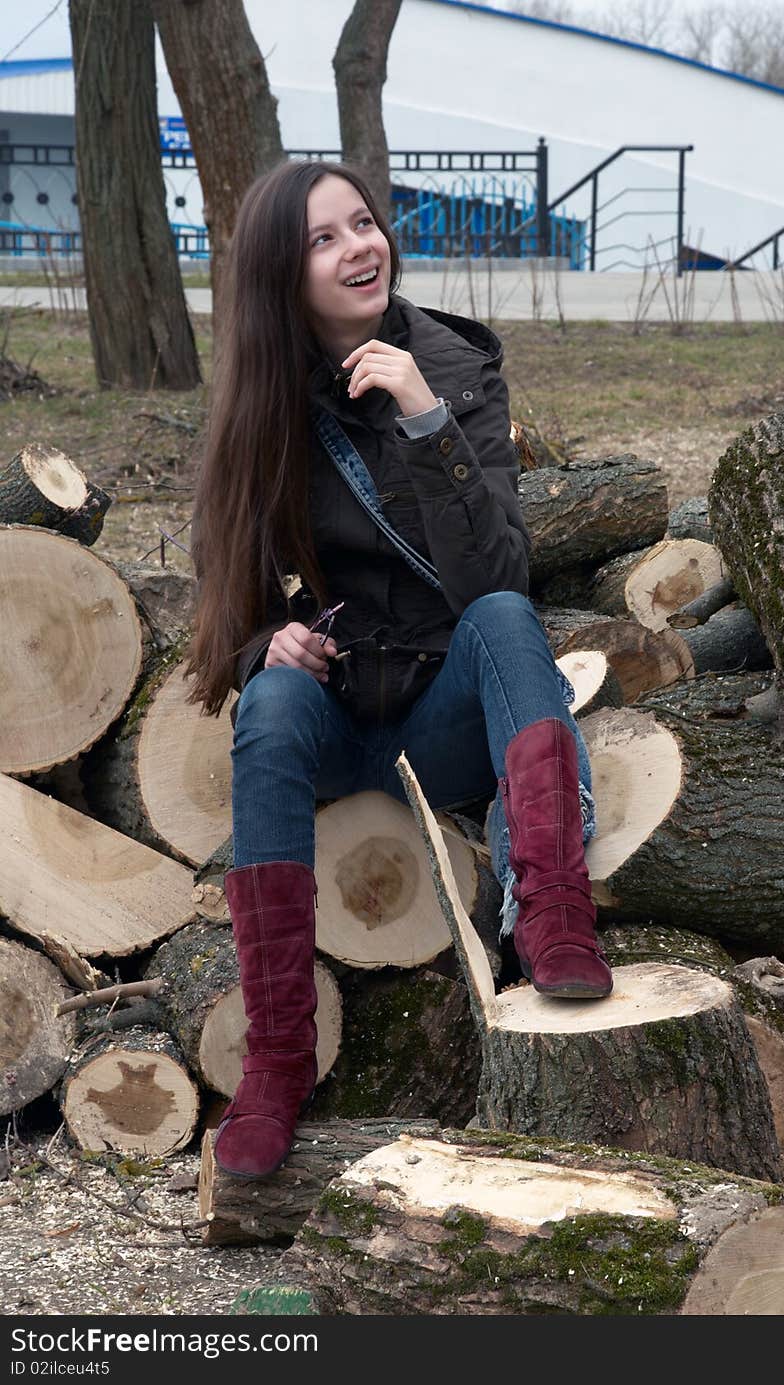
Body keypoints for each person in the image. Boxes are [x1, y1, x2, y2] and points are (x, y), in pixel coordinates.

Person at [186, 158, 612, 1180]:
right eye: (323, 239)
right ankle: (279, 1057)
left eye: (363, 224)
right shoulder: (264, 397)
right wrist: (263, 644)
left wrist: (427, 421)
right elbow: (226, 599)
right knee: (275, 695)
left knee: (510, 614)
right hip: (338, 715)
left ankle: (551, 908)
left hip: (442, 717)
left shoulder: (456, 366)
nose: (357, 247)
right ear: (283, 277)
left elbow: (492, 572)